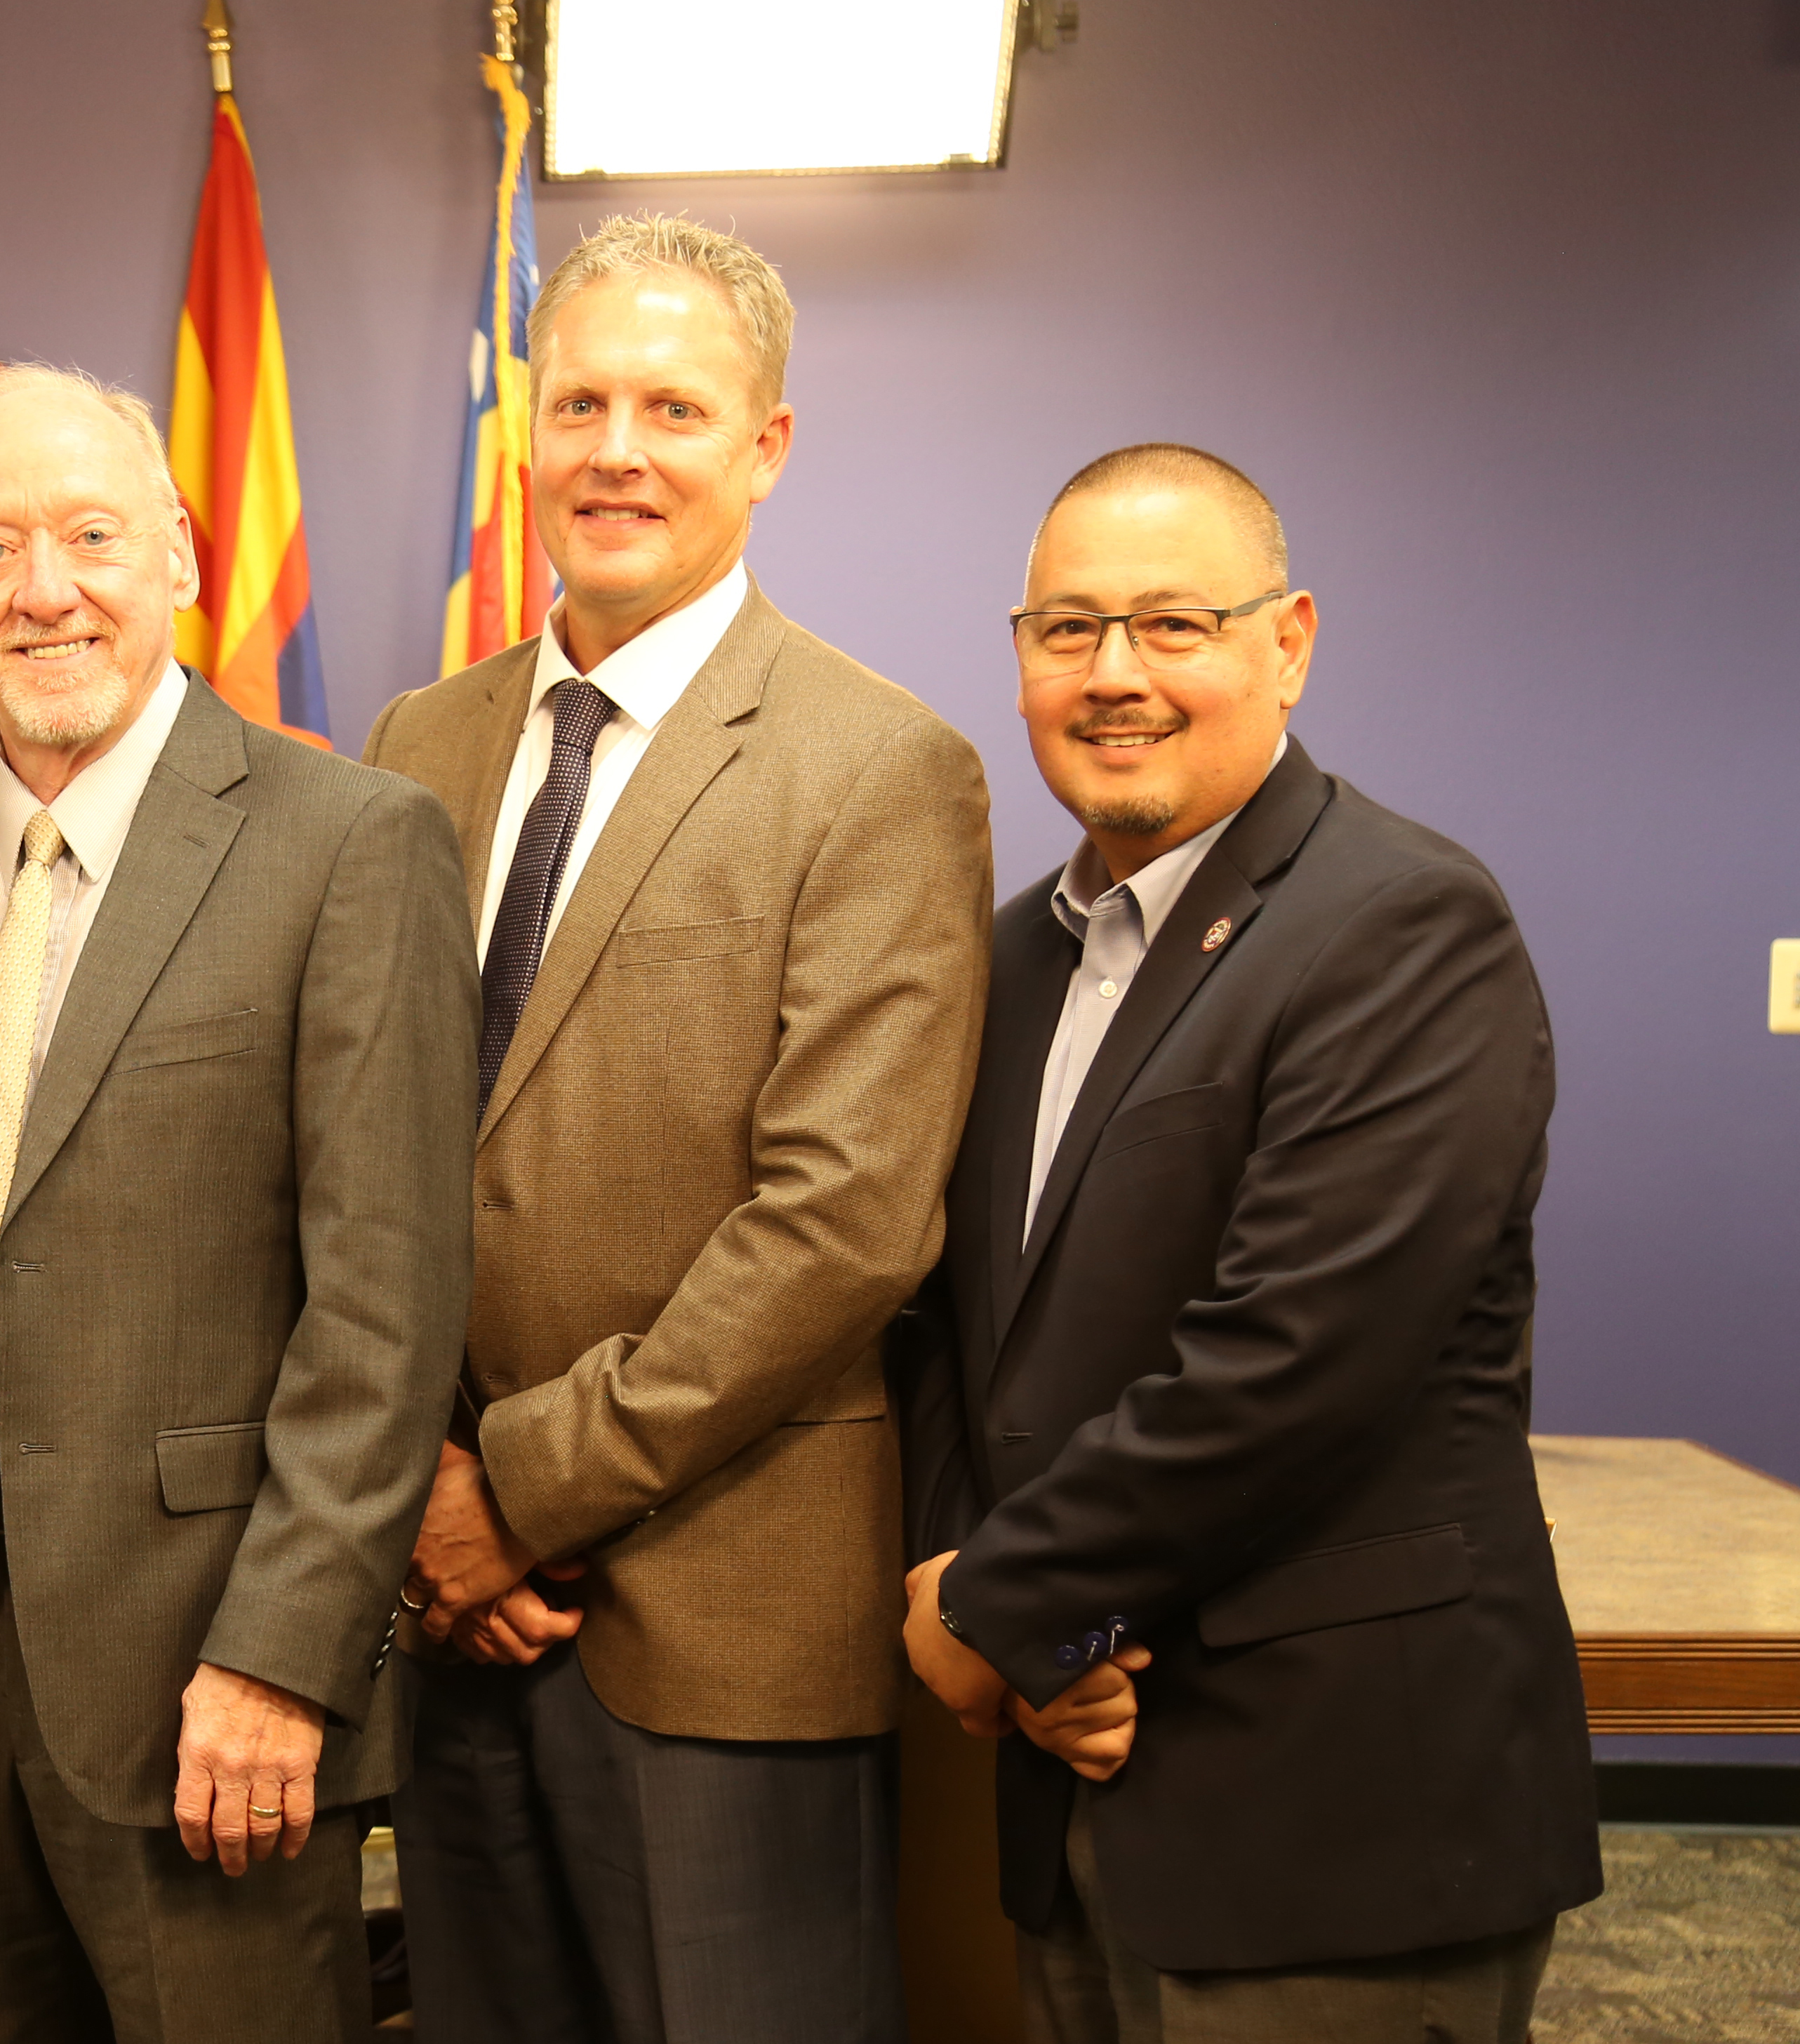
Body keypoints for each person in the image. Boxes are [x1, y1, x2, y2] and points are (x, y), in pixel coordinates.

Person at [0, 363, 476, 2044]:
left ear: (184, 556)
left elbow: (387, 1309)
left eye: (89, 535)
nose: (45, 589)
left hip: (205, 1679)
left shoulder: (350, 844)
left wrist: (285, 1653)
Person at [359, 214, 991, 2043]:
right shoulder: (421, 742)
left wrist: (523, 1494)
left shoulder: (877, 765)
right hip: (447, 1594)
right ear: (528, 434)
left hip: (720, 1614)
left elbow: (847, 1220)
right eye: (579, 404)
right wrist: (421, 1494)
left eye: (673, 407)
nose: (615, 450)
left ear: (766, 447)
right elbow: (372, 1151)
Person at [894, 444, 1599, 2043]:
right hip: (1075, 1775)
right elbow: (947, 1327)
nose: (1115, 673)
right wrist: (992, 1601)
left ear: (1289, 641)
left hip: (1334, 1817)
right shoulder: (1009, 956)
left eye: (1175, 624)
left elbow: (1295, 1368)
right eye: (1069, 630)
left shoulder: (1404, 924)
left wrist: (993, 1607)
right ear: (1019, 661)